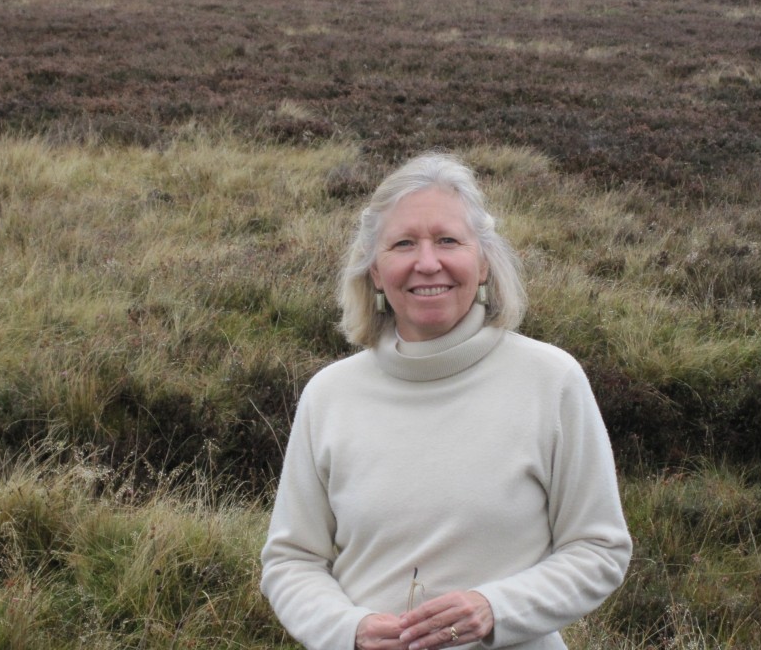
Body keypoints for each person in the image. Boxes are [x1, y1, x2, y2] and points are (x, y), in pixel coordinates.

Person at [260, 152, 632, 650]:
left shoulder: (552, 380)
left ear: (482, 262)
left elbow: (599, 549)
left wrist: (494, 609)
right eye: (403, 243)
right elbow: (291, 561)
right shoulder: (330, 395)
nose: (427, 262)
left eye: (449, 240)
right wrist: (348, 631)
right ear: (374, 270)